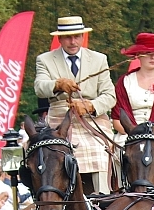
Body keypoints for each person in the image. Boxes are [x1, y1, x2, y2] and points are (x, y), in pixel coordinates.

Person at [34, 16, 116, 194]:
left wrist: (91, 106)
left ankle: (103, 199)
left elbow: (110, 96)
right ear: (60, 38)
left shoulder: (99, 59)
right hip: (59, 118)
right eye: (68, 37)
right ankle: (59, 200)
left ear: (82, 36)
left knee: (101, 151)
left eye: (77, 36)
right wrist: (57, 84)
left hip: (93, 120)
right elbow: (39, 87)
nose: (73, 41)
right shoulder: (45, 59)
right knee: (56, 154)